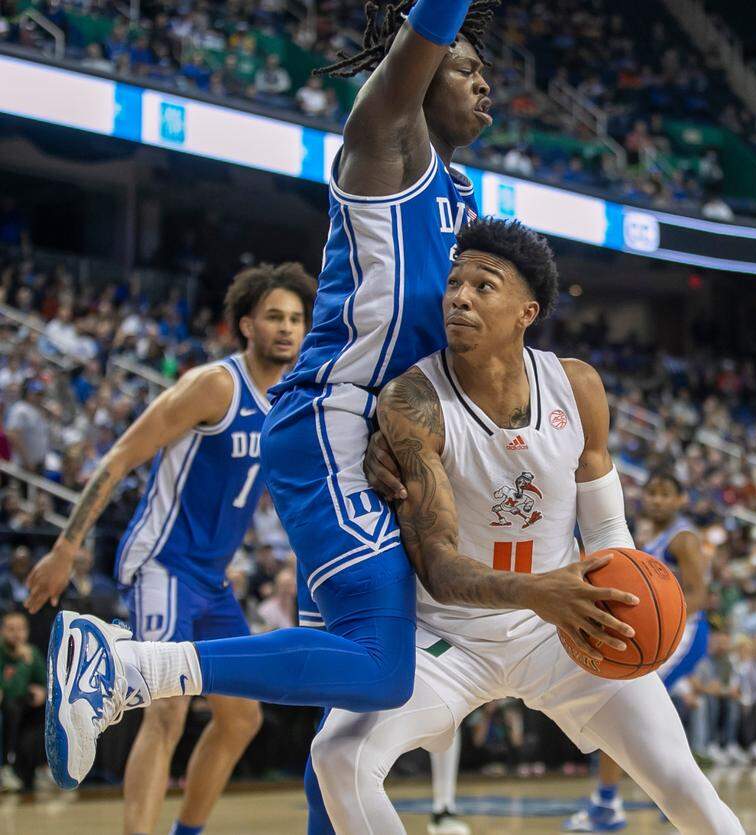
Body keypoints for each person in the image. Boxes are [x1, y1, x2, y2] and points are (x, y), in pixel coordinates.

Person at [43, 3, 631, 806]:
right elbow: (417, 47)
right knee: (383, 670)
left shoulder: (461, 200)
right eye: (463, 66)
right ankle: (124, 664)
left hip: (385, 434)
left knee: (346, 715)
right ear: (417, 73)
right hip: (332, 418)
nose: (485, 80)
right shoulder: (383, 147)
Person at [309, 215, 743, 834]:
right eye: (454, 283)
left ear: (526, 311)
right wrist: (541, 593)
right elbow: (440, 566)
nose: (460, 295)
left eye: (484, 286)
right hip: (450, 637)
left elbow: (608, 535)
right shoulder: (414, 401)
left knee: (684, 784)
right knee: (338, 757)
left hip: (561, 629)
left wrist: (613, 606)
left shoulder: (578, 386)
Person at [28, 264, 315, 833]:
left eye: (297, 319)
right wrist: (66, 546)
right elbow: (121, 457)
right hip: (161, 561)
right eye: (275, 317)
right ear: (245, 325)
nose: (287, 328)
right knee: (167, 707)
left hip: (209, 577)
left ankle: (187, 831)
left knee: (241, 720)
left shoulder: (287, 402)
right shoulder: (214, 385)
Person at [564, 470, 711, 831]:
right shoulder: (645, 535)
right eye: (653, 492)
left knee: (618, 698)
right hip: (656, 632)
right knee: (637, 709)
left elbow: (699, 594)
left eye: (666, 493)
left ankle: (607, 802)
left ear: (680, 500)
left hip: (684, 631)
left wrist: (657, 621)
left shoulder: (684, 539)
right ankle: (672, 791)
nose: (658, 500)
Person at [0, 610, 46, 795]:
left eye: (20, 629)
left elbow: (44, 681)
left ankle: (42, 768)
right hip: (7, 705)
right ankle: (6, 768)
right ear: (2, 631)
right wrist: (22, 664)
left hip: (24, 704)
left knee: (47, 710)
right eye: (11, 629)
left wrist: (42, 691)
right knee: (12, 708)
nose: (17, 634)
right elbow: (10, 689)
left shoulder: (32, 652)